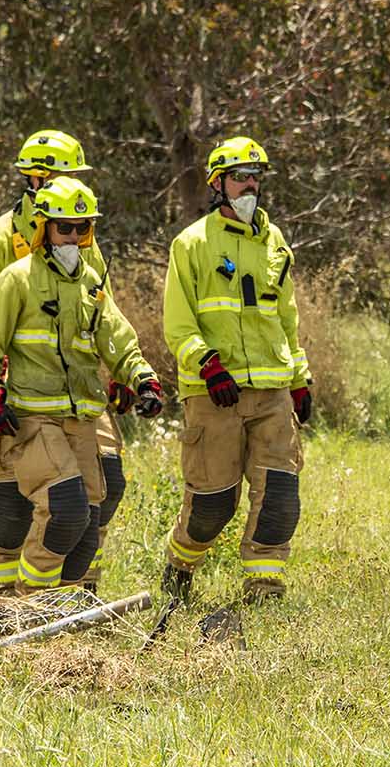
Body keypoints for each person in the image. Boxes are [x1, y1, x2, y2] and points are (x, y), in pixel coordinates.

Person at [0, 130, 161, 594]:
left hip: (80, 398)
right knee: (25, 506)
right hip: (26, 402)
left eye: (81, 224)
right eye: (56, 178)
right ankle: (7, 600)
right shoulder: (3, 248)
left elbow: (106, 321)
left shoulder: (84, 249)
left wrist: (129, 375)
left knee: (100, 494)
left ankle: (74, 595)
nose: (73, 229)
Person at [159, 136, 311, 604]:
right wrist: (208, 367)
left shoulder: (275, 241)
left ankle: (264, 589)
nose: (249, 185)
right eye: (240, 177)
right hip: (213, 393)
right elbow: (178, 322)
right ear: (217, 184)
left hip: (272, 391)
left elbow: (286, 317)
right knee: (212, 504)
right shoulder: (191, 243)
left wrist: (300, 377)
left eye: (255, 177)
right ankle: (179, 564)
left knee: (279, 496)